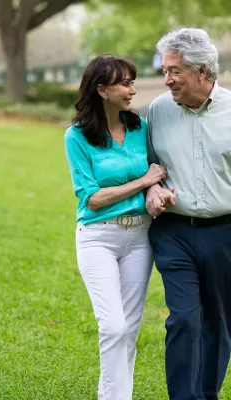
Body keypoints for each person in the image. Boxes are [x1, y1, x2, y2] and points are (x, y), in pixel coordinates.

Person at [64, 55, 167, 400]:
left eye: (132, 82)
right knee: (113, 326)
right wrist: (143, 181)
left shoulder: (141, 128)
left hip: (141, 237)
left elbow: (159, 171)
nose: (132, 90)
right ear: (102, 89)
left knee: (130, 330)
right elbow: (92, 198)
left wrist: (154, 186)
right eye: (124, 83)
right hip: (98, 237)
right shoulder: (76, 136)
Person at [146, 28, 231, 400]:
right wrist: (152, 188)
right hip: (174, 232)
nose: (167, 80)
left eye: (174, 71)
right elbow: (148, 165)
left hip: (224, 233)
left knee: (218, 323)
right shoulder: (157, 110)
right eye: (165, 70)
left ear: (201, 71)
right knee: (183, 318)